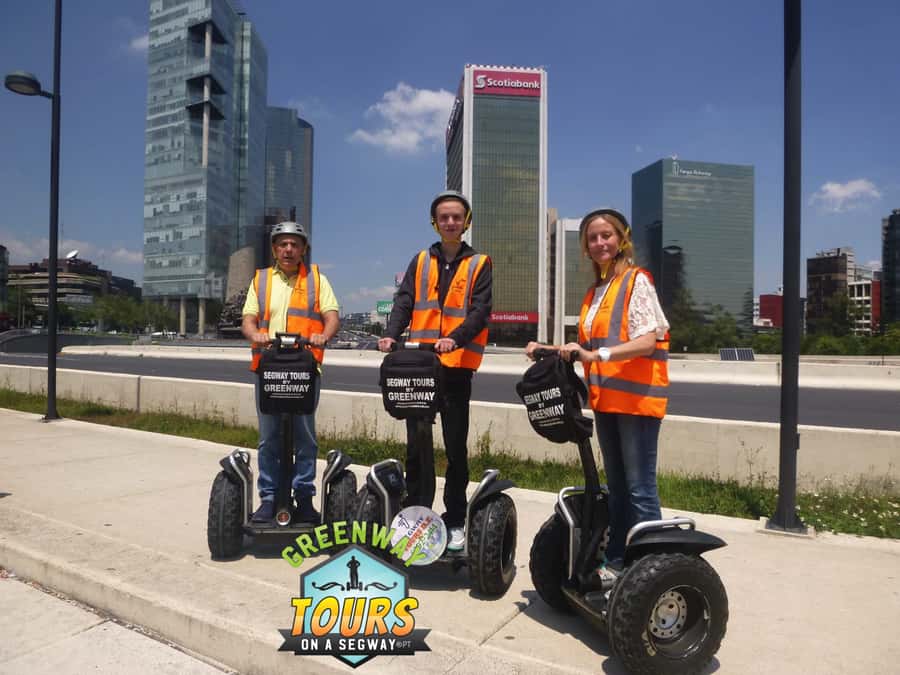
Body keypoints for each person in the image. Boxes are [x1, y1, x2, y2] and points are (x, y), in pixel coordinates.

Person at [525, 208, 669, 587]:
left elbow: (647, 340)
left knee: (640, 489)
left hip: (637, 403)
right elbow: (588, 347)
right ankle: (618, 561)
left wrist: (598, 356)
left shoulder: (637, 281)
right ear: (585, 248)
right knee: (617, 488)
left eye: (607, 235)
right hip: (606, 402)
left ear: (622, 239)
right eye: (593, 238)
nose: (600, 242)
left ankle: (650, 571)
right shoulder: (595, 293)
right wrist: (550, 347)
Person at [378, 190, 492, 551]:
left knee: (455, 446)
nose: (450, 223)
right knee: (417, 444)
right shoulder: (421, 261)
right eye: (444, 217)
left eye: (457, 217)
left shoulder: (479, 263)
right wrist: (390, 334)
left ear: (466, 221)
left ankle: (455, 518)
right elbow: (405, 301)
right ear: (435, 222)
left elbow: (480, 311)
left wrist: (454, 339)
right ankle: (417, 512)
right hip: (420, 367)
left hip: (455, 367)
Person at [241, 221, 340, 523]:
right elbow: (248, 319)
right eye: (282, 244)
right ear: (274, 249)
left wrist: (325, 334)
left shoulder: (317, 280)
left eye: (294, 244)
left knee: (305, 437)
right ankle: (269, 499)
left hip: (304, 369)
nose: (288, 249)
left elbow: (332, 316)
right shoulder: (260, 281)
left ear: (303, 250)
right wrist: (254, 334)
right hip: (269, 369)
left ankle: (305, 497)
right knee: (269, 437)